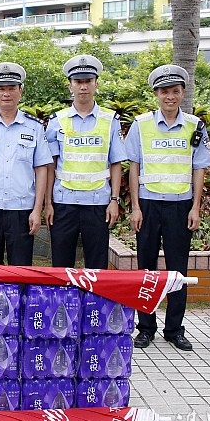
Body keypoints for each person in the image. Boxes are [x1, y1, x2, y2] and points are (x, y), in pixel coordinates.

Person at [125, 64, 210, 352]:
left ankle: (175, 329)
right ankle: (145, 328)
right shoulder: (141, 125)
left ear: (183, 93)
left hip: (180, 206)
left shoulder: (195, 125)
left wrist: (195, 207)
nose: (170, 96)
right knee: (146, 270)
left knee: (178, 271)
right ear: (156, 94)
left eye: (175, 91)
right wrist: (135, 207)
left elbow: (199, 168)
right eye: (164, 91)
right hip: (149, 206)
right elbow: (133, 167)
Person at [0, 62, 53, 266]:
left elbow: (41, 169)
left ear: (20, 91)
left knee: (20, 270)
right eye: (1, 88)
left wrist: (37, 210)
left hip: (22, 209)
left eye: (12, 88)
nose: (6, 94)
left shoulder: (34, 127)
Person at [45, 55, 126, 270]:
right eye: (78, 82)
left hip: (98, 203)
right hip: (64, 202)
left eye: (88, 81)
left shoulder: (110, 120)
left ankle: (94, 296)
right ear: (70, 85)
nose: (83, 87)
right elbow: (50, 166)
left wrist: (114, 200)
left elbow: (116, 163)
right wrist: (48, 203)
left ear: (96, 84)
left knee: (97, 268)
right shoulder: (57, 121)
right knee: (61, 267)